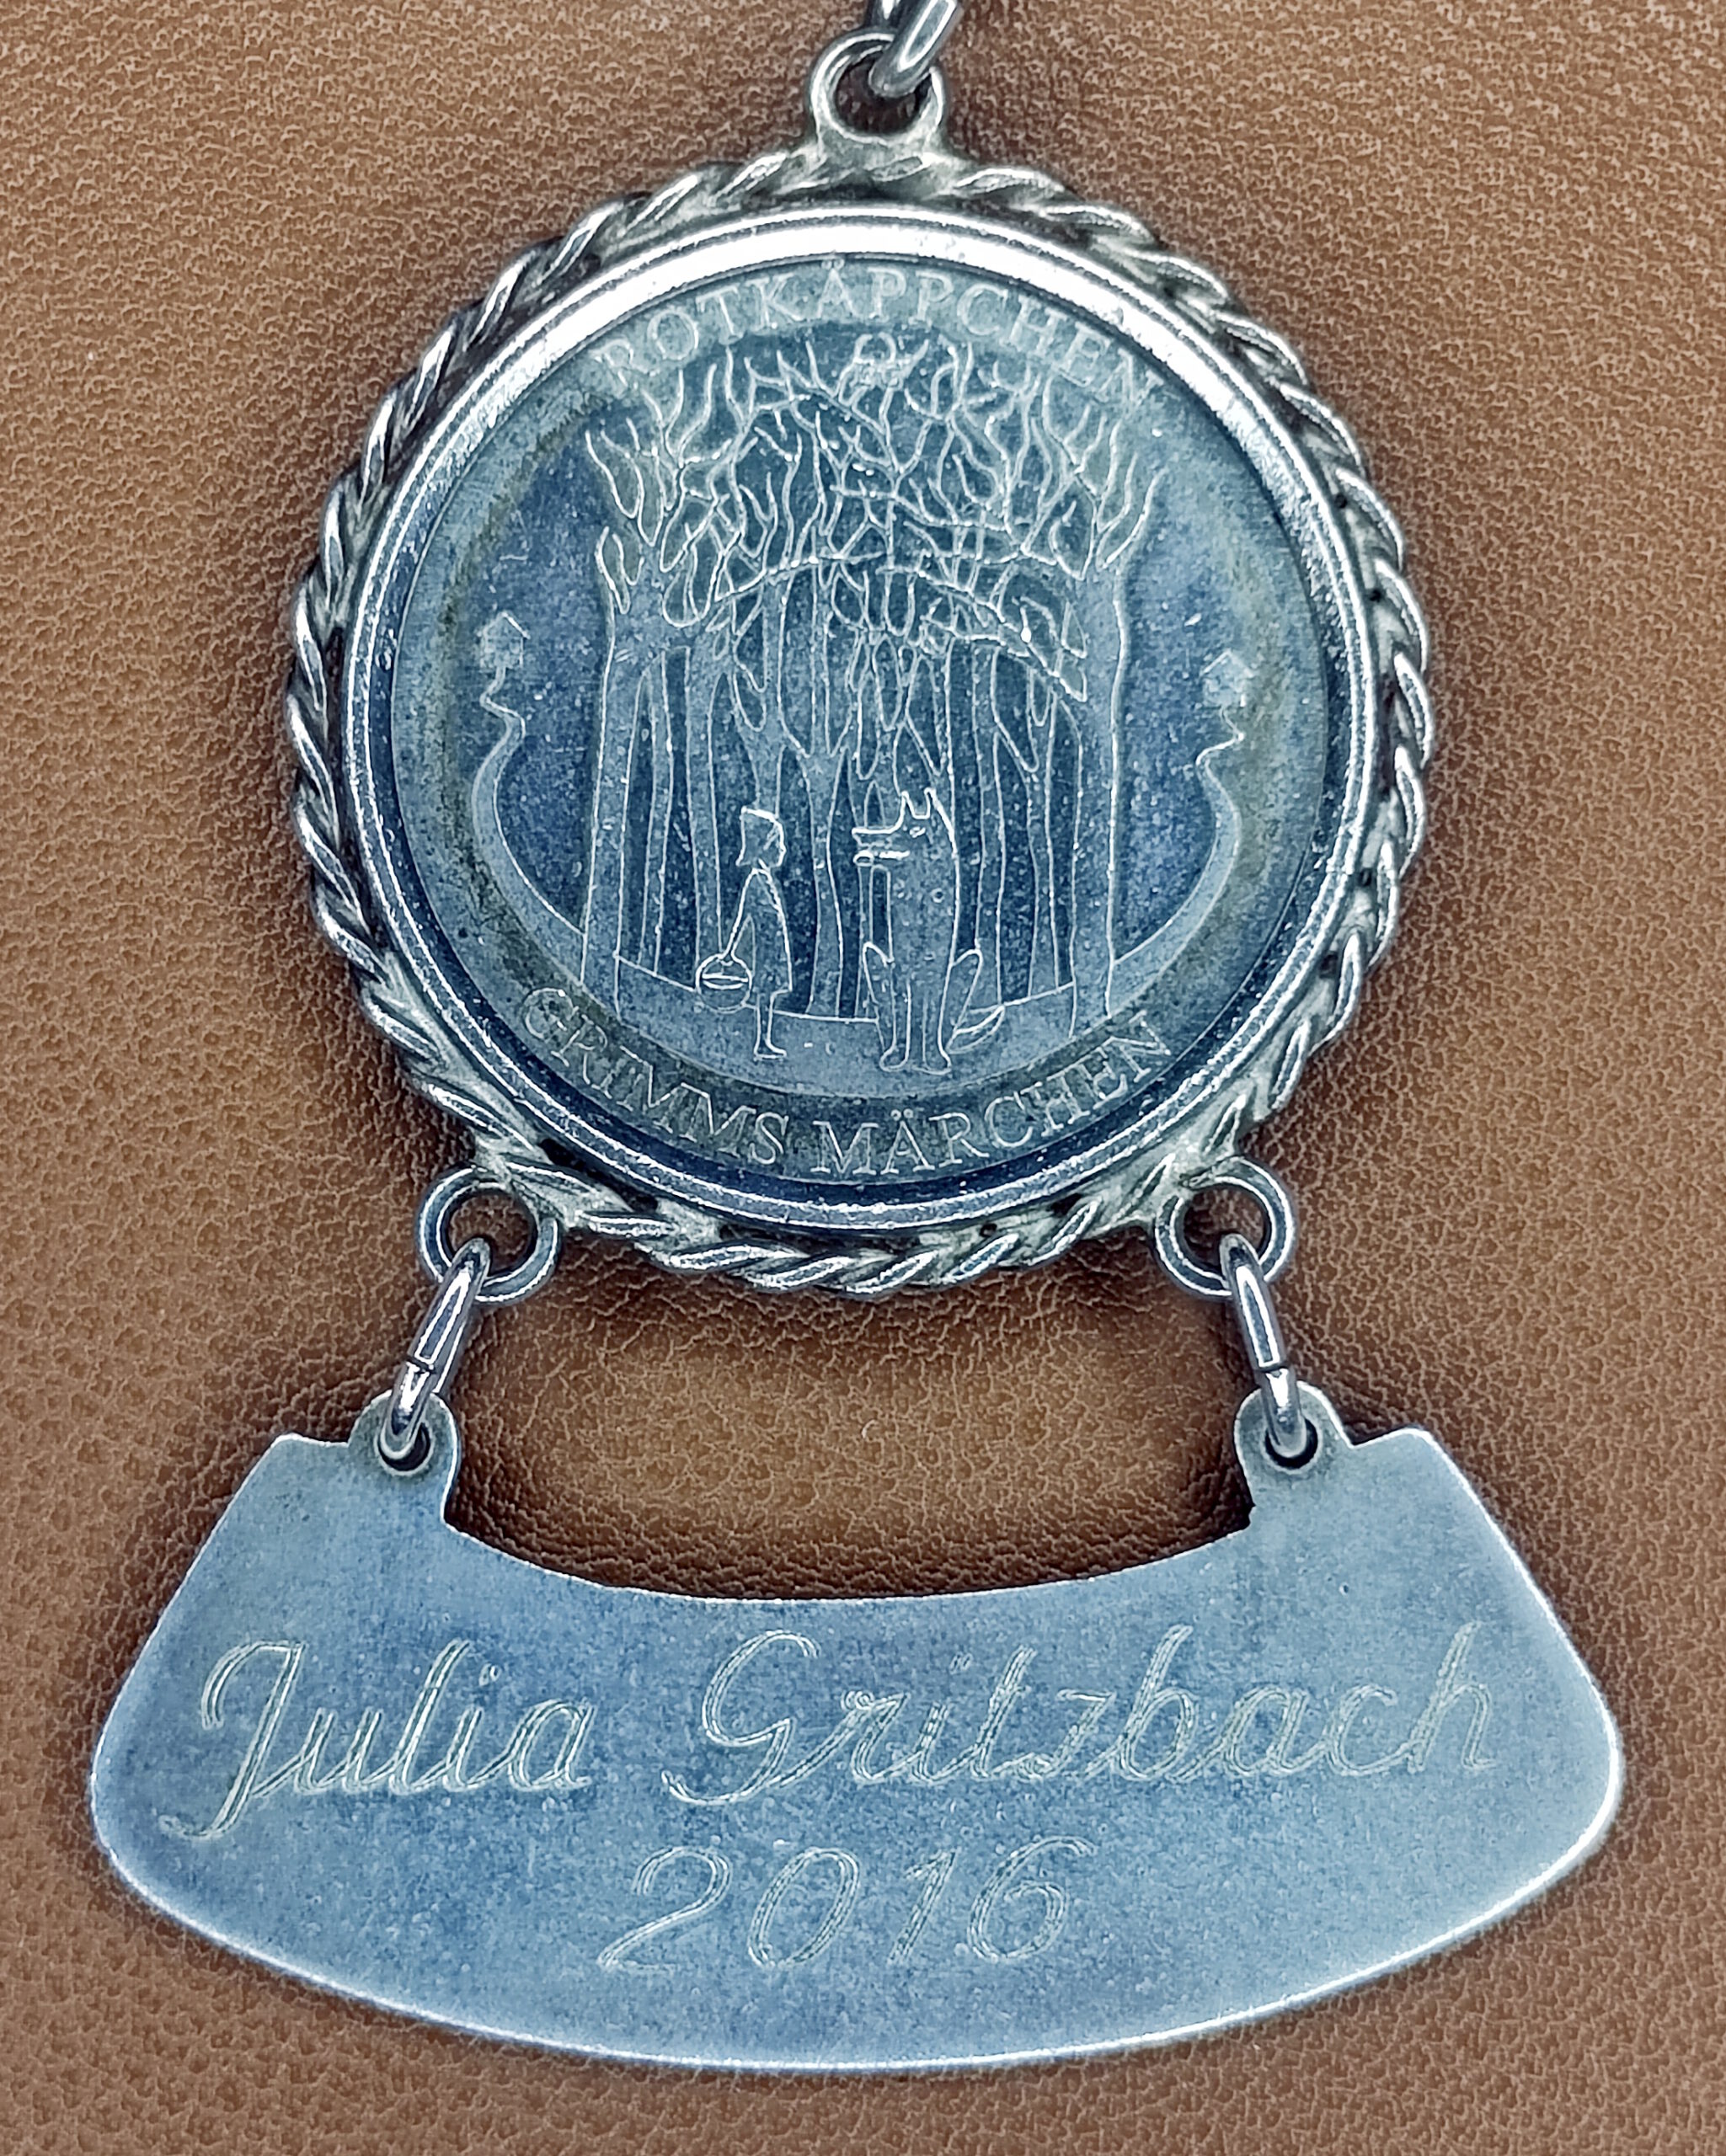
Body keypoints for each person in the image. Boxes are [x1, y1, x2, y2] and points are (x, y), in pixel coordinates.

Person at [719, 807, 793, 1059]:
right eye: (778, 844)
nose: (783, 850)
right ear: (764, 847)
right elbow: (742, 919)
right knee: (765, 993)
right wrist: (729, 952)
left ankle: (764, 1040)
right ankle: (762, 1042)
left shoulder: (765, 879)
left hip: (775, 947)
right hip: (766, 949)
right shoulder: (755, 880)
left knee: (768, 994)